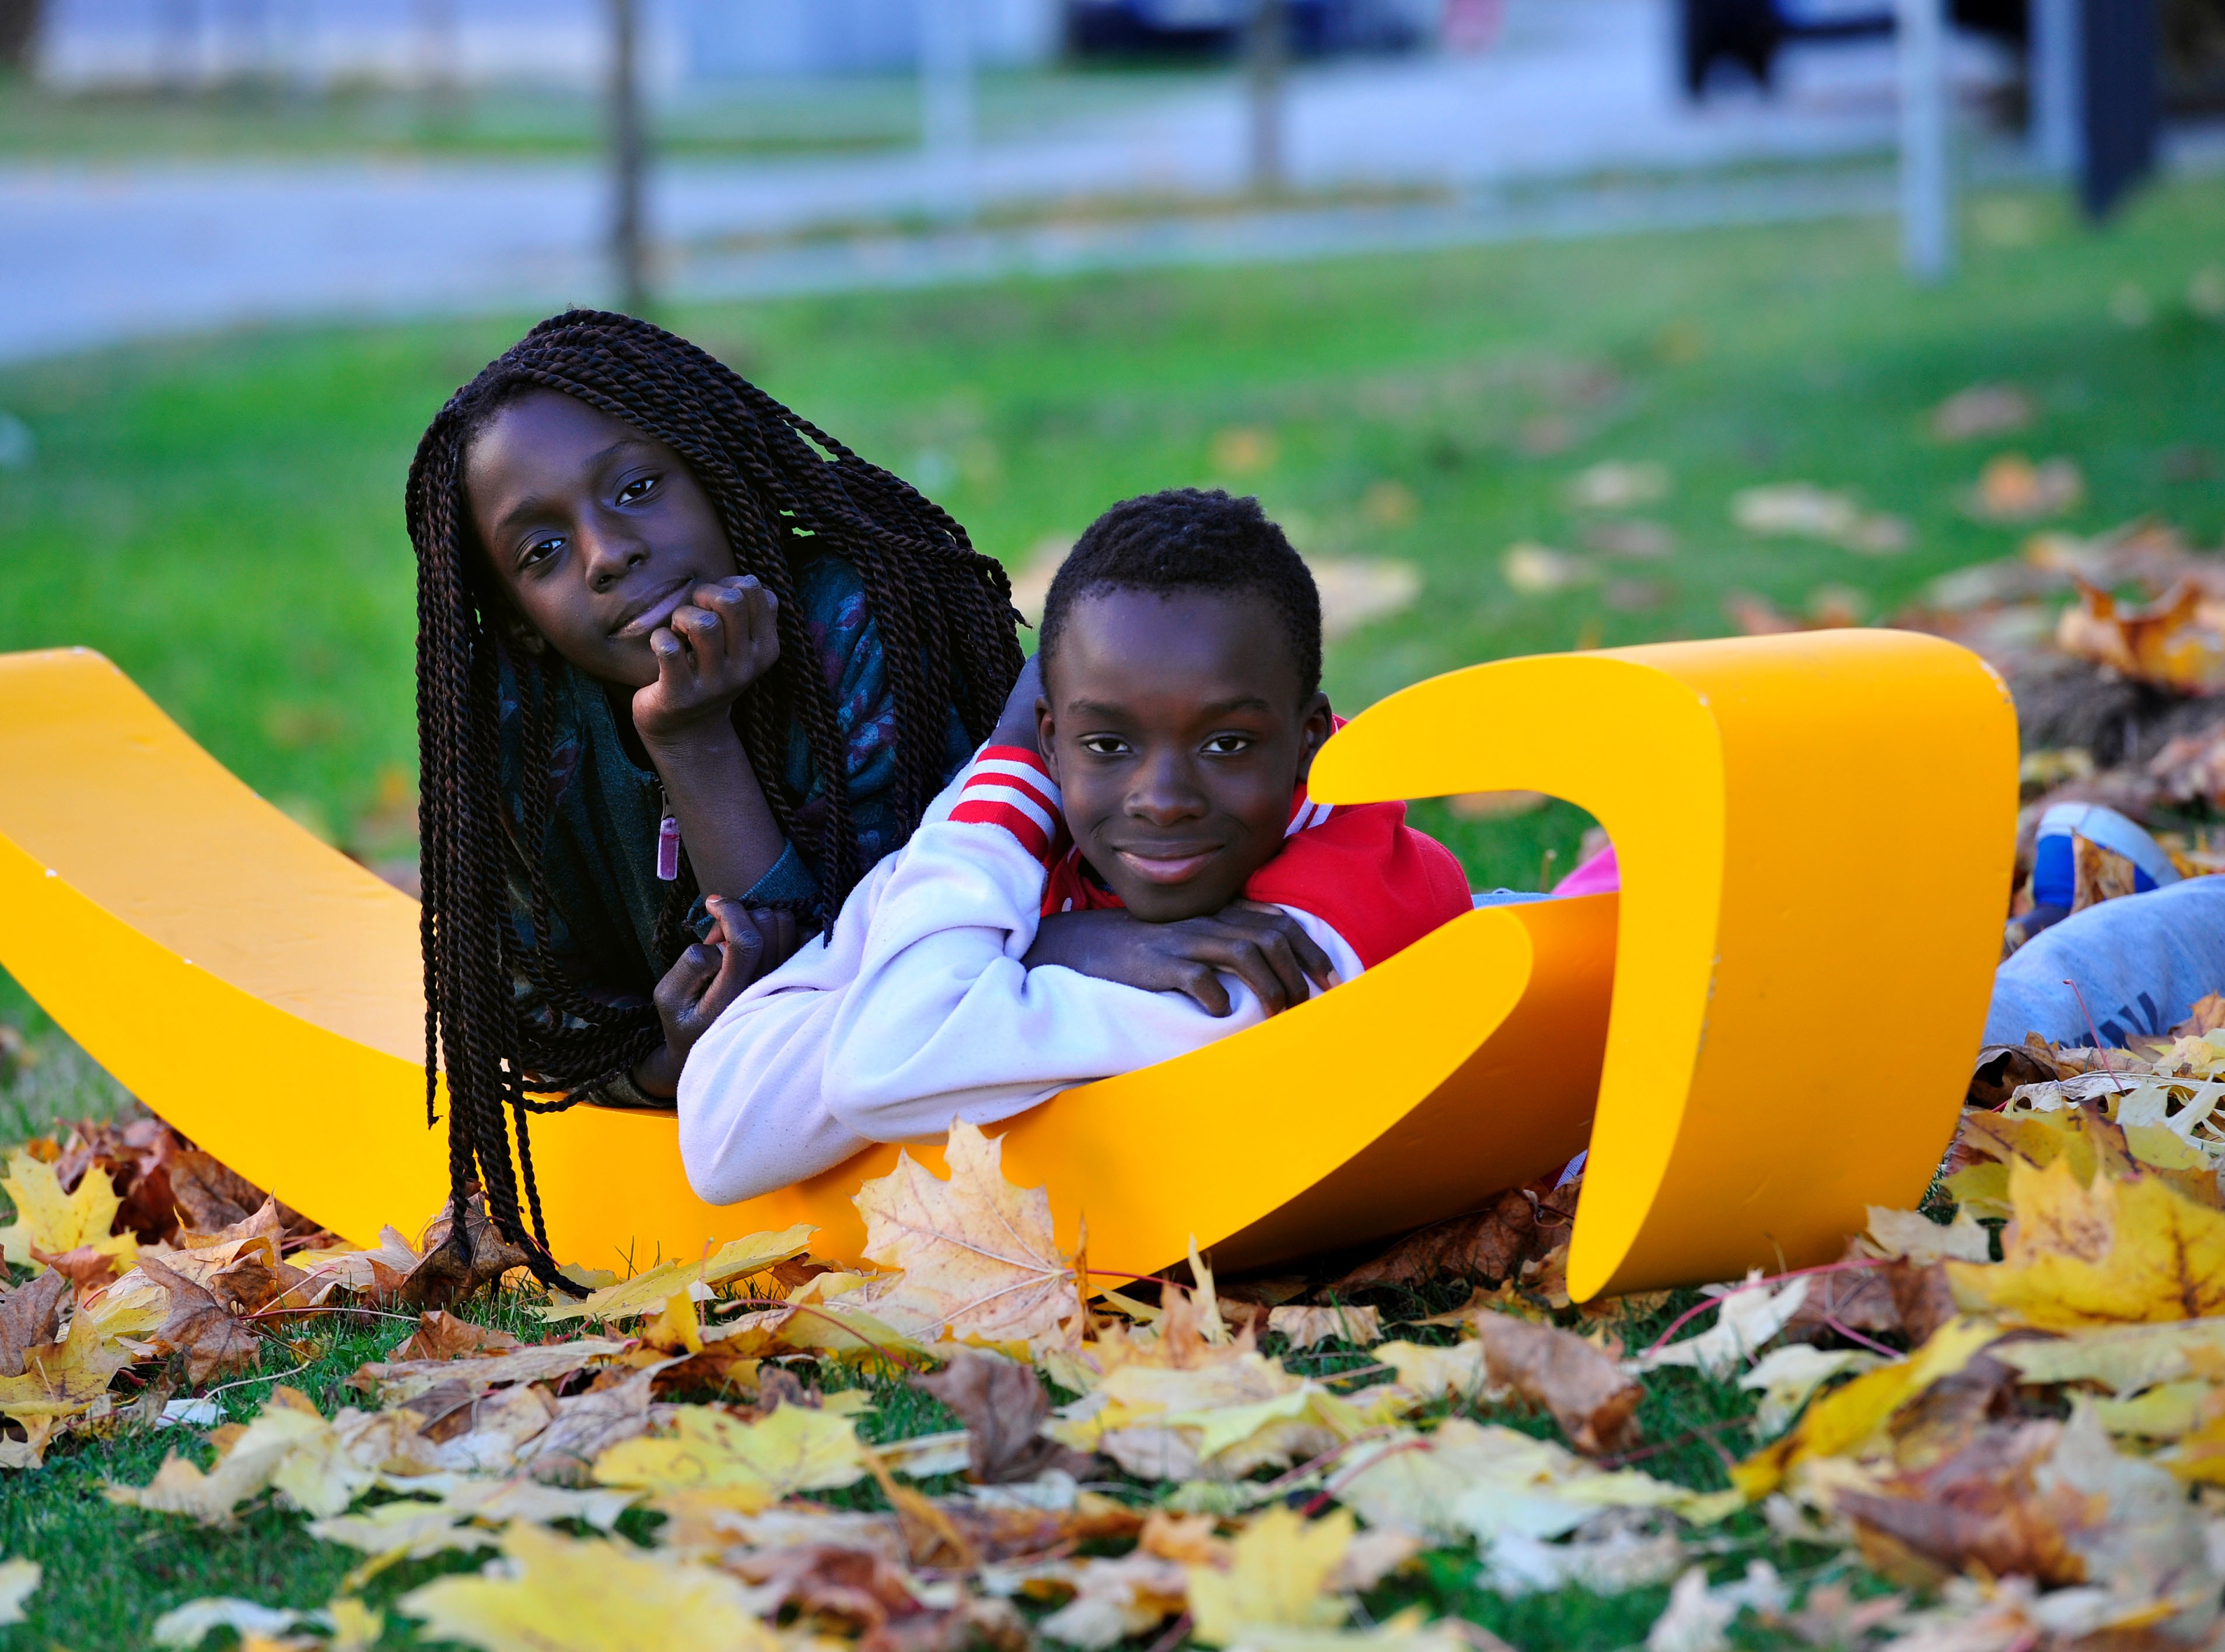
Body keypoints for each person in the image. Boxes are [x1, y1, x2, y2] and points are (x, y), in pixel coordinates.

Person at [404, 310, 1024, 1278]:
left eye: (637, 489)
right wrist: (669, 1060)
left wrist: (695, 745)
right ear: (518, 620)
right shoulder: (517, 729)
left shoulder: (862, 624)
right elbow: (545, 1021)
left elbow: (885, 982)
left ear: (717, 475)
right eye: (542, 552)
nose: (607, 553)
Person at [665, 489, 1475, 1203]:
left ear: (1308, 741)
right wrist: (1067, 941)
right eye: (1109, 744)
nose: (1162, 800)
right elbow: (720, 1133)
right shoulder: (1045, 832)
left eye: (1226, 744)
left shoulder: (1307, 940)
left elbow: (882, 1063)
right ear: (1051, 743)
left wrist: (1003, 936)